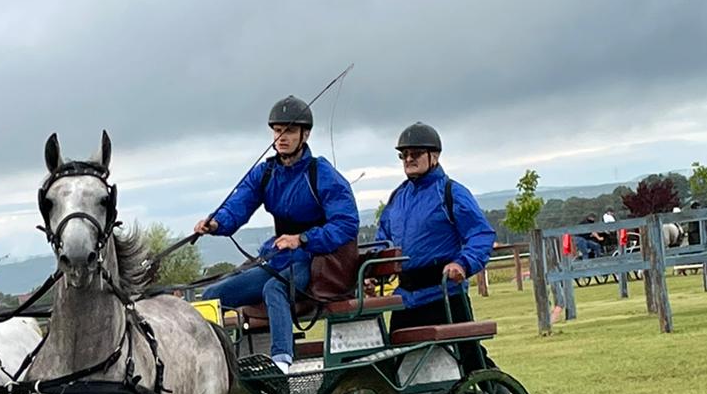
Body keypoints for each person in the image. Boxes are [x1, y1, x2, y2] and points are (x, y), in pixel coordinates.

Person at [195, 96, 360, 370]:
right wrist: (216, 223)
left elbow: (346, 224)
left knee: (275, 289)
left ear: (304, 135)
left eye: (289, 131)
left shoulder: (322, 174)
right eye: (277, 130)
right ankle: (215, 365)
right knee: (212, 296)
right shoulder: (266, 173)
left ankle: (282, 362)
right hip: (281, 259)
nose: (281, 137)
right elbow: (240, 203)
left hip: (316, 261)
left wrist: (303, 239)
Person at [374, 122, 495, 332]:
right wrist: (375, 273)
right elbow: (383, 242)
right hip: (404, 300)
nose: (409, 159)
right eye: (404, 155)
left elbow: (481, 235)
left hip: (444, 295)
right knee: (398, 361)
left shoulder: (452, 193)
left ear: (435, 156)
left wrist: (463, 264)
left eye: (416, 153)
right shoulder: (397, 198)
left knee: (468, 359)